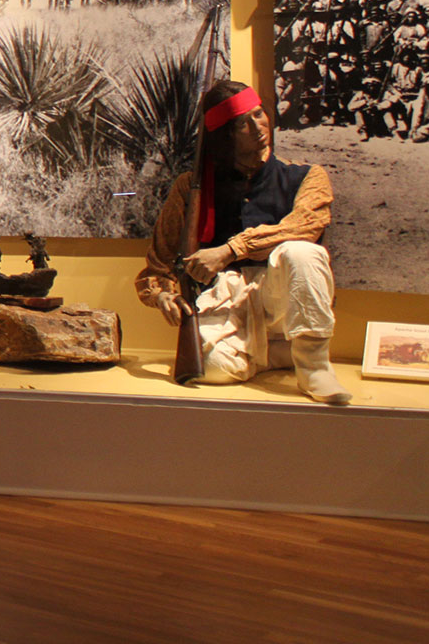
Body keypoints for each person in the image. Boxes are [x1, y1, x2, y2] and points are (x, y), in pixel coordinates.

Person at [134, 81, 348, 404]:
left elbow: (305, 226)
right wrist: (164, 294)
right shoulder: (189, 189)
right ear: (225, 138)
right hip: (228, 304)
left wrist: (230, 250)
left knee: (301, 252)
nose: (258, 126)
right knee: (212, 369)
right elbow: (158, 265)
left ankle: (315, 367)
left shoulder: (307, 177)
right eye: (242, 124)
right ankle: (279, 354)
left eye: (259, 114)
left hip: (282, 296)